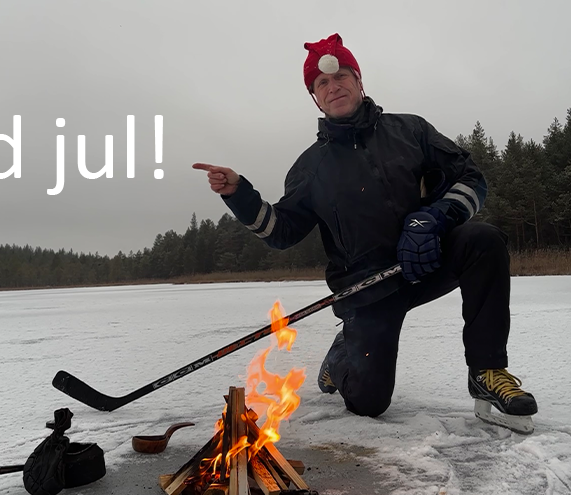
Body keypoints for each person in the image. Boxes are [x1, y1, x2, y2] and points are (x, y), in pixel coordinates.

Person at [193, 33, 537, 431]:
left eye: (341, 76)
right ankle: (340, 357)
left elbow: (471, 179)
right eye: (322, 83)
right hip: (367, 290)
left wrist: (435, 218)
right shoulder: (310, 167)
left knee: (483, 241)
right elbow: (280, 232)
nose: (333, 86)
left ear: (359, 81)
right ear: (315, 99)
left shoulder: (411, 130)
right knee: (369, 402)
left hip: (425, 260)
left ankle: (488, 371)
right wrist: (239, 194)